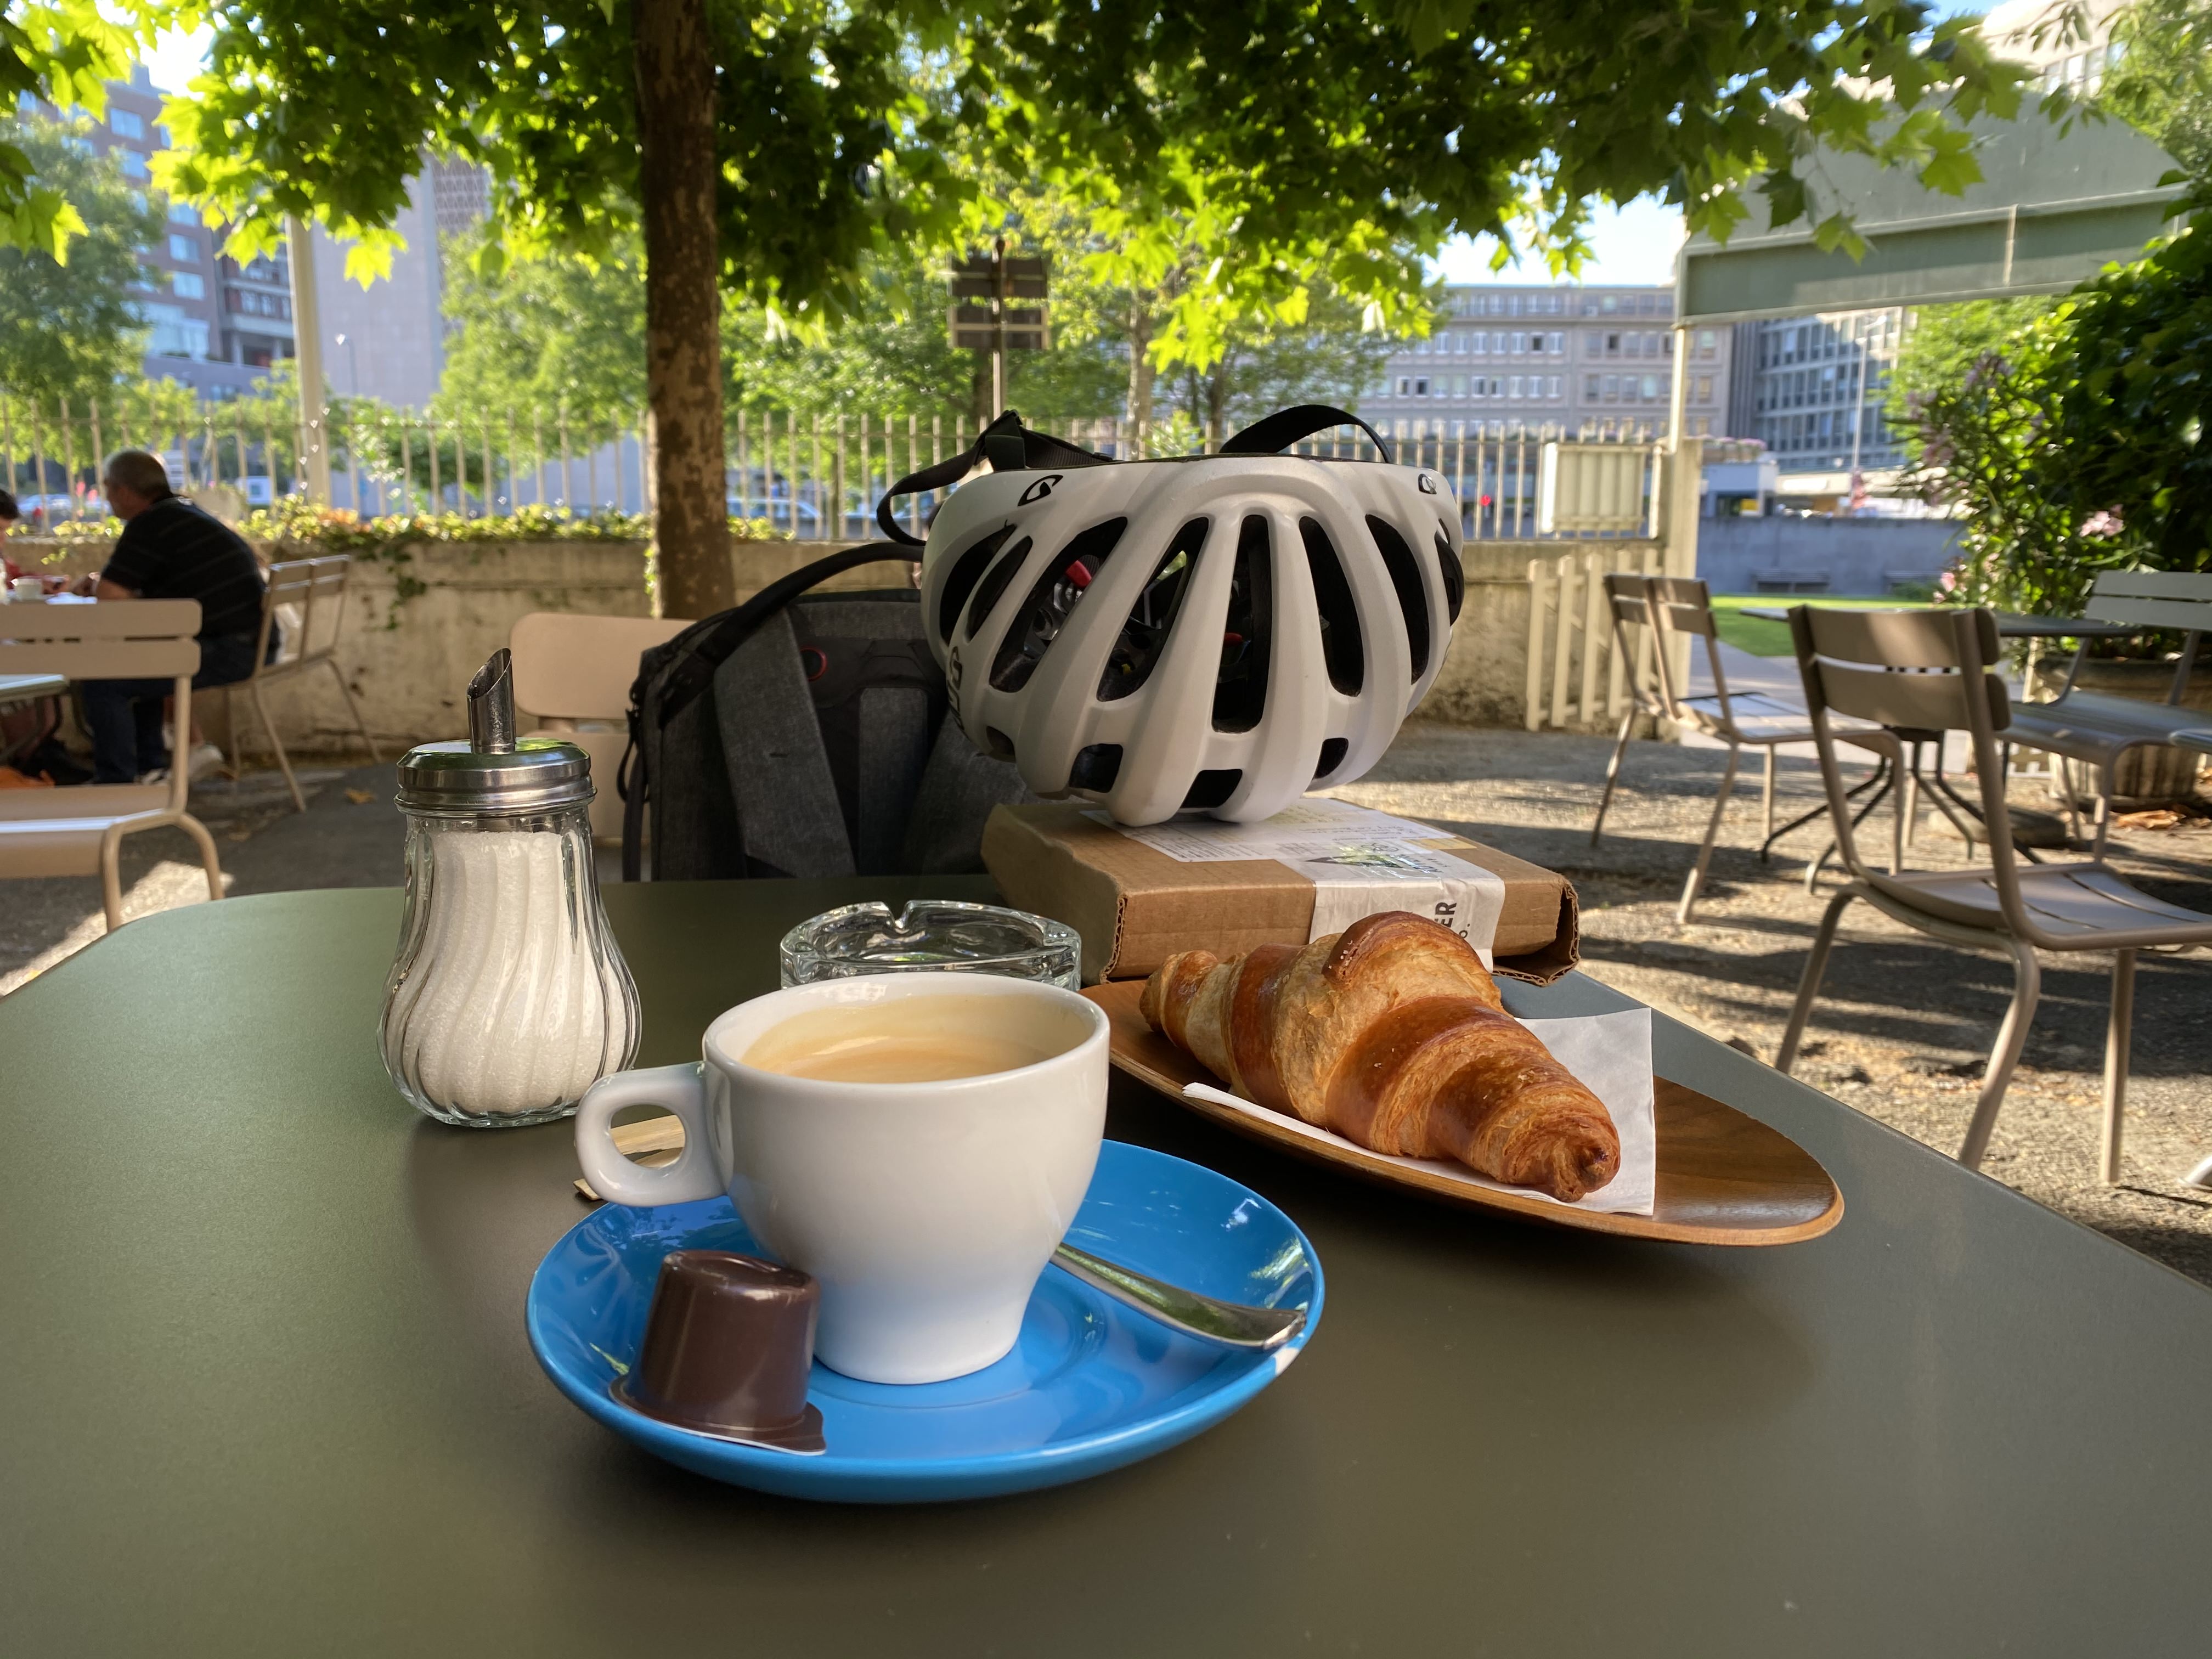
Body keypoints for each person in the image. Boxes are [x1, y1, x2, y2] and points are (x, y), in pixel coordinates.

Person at [76, 450, 267, 785]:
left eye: (107, 490)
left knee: (103, 681)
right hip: (252, 642)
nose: (108, 501)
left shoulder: (151, 523)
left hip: (229, 650)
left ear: (122, 491)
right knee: (143, 659)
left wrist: (95, 586)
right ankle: (149, 767)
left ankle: (115, 783)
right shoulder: (182, 513)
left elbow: (110, 595)